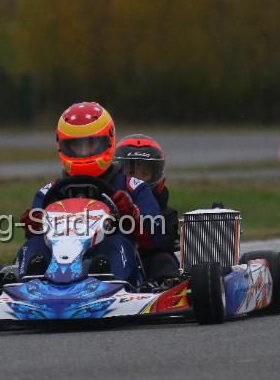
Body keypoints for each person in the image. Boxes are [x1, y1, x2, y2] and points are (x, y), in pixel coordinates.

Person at [17, 102, 170, 285]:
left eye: (90, 144)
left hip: (114, 263)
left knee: (116, 242)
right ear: (62, 146)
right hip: (59, 260)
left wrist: (131, 216)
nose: (83, 152)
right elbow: (36, 237)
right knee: (33, 246)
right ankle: (30, 285)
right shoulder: (49, 192)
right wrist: (34, 227)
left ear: (108, 141)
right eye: (75, 145)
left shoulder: (133, 187)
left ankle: (107, 281)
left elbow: (156, 235)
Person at [114, 134, 180, 283]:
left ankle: (167, 290)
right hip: (114, 256)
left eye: (144, 174)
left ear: (156, 176)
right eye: (130, 174)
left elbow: (161, 242)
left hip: (147, 260)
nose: (136, 181)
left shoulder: (166, 214)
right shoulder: (105, 207)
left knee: (163, 260)